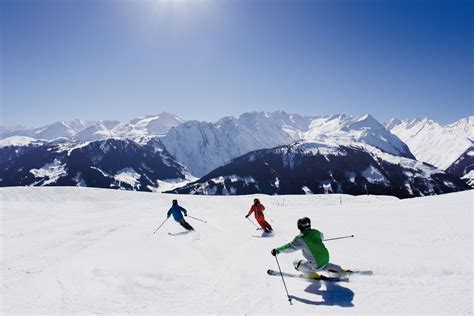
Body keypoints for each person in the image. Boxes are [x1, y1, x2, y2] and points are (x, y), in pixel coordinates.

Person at [271, 217, 348, 279]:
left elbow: (290, 247)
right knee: (324, 264)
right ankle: (339, 270)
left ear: (299, 227)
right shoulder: (316, 232)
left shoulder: (301, 238)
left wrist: (278, 250)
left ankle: (313, 275)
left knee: (295, 263)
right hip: (326, 258)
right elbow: (322, 237)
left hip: (316, 264)